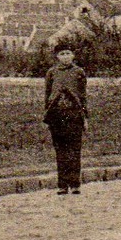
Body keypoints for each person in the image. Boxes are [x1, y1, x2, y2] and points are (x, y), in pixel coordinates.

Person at [44, 43, 89, 194]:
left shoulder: (79, 72)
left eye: (68, 53)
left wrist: (85, 117)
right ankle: (62, 184)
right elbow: (47, 95)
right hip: (57, 116)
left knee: (74, 150)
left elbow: (83, 96)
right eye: (62, 54)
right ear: (57, 56)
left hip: (74, 115)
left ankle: (75, 183)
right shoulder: (52, 73)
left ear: (73, 55)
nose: (65, 57)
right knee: (60, 151)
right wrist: (47, 115)